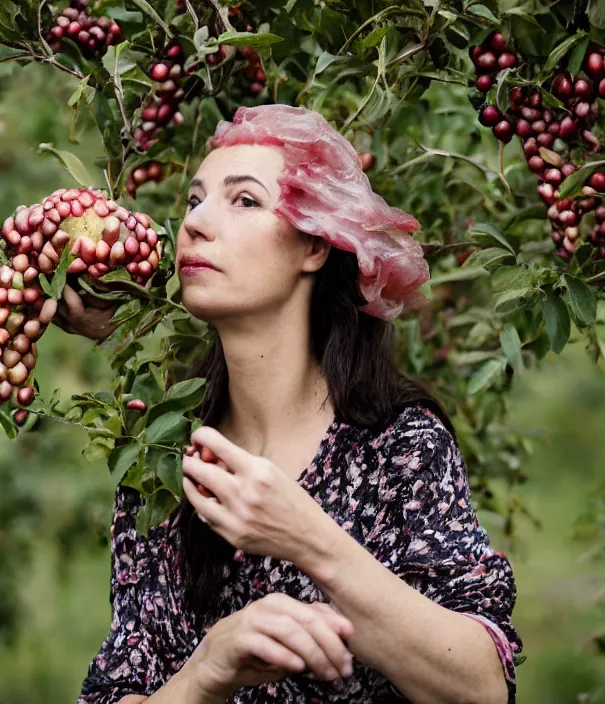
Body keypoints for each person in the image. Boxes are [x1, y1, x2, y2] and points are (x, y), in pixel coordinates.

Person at [66, 104, 521, 704]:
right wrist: (210, 670)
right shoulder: (164, 464)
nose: (197, 223)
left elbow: (482, 689)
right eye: (194, 201)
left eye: (245, 200)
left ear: (314, 246)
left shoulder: (399, 445)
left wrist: (305, 537)